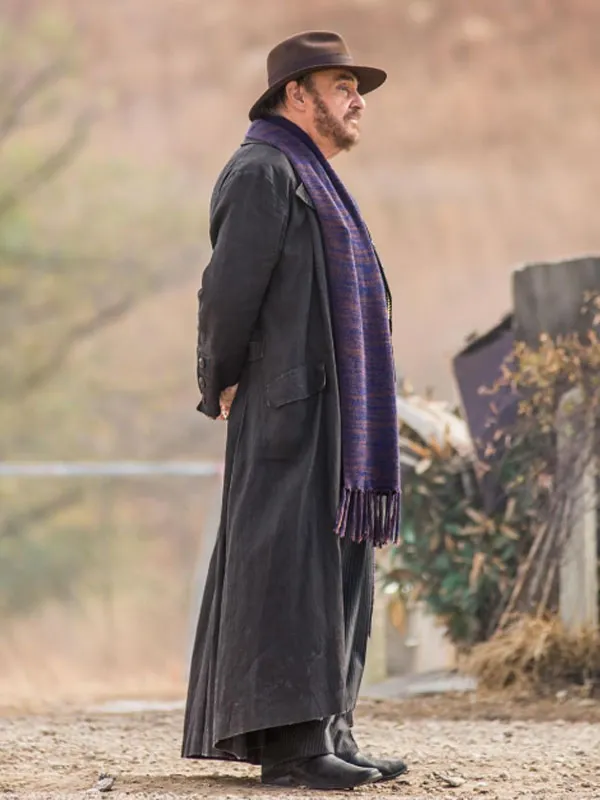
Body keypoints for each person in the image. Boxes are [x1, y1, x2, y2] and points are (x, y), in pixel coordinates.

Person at [182, 30, 406, 791]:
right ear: (295, 95)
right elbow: (227, 291)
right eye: (341, 86)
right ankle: (293, 749)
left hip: (332, 413)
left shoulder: (310, 174)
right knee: (287, 574)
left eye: (357, 89)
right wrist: (220, 380)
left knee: (334, 571)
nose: (357, 100)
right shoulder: (262, 170)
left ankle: (332, 730)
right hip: (289, 408)